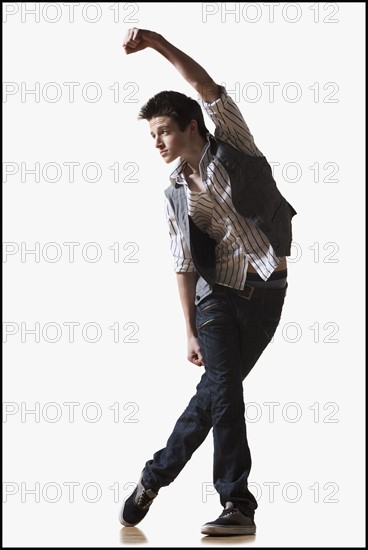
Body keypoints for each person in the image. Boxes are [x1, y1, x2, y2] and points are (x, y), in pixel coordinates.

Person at [119, 27, 297, 537]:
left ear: (191, 126)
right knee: (227, 394)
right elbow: (183, 263)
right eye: (152, 135)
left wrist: (154, 42)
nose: (157, 142)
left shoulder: (233, 145)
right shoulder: (173, 192)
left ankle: (152, 479)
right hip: (215, 299)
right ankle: (237, 504)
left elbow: (205, 85)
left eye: (164, 131)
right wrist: (190, 328)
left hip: (266, 295)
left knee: (214, 398)